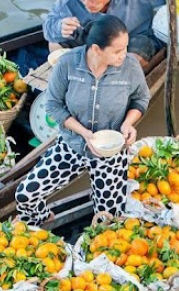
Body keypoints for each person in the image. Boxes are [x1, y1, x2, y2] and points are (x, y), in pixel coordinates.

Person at [15, 16, 150, 226]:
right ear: (96, 49)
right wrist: (84, 133)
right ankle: (42, 222)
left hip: (110, 152)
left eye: (125, 48)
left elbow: (141, 98)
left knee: (108, 218)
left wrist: (128, 123)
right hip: (72, 146)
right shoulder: (68, 64)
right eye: (117, 51)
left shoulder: (130, 67)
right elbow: (53, 104)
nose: (124, 55)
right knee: (25, 195)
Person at [43, 0, 165, 68]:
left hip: (132, 38)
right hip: (90, 40)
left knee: (135, 59)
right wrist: (60, 27)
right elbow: (49, 26)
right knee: (54, 42)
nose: (89, 4)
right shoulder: (67, 3)